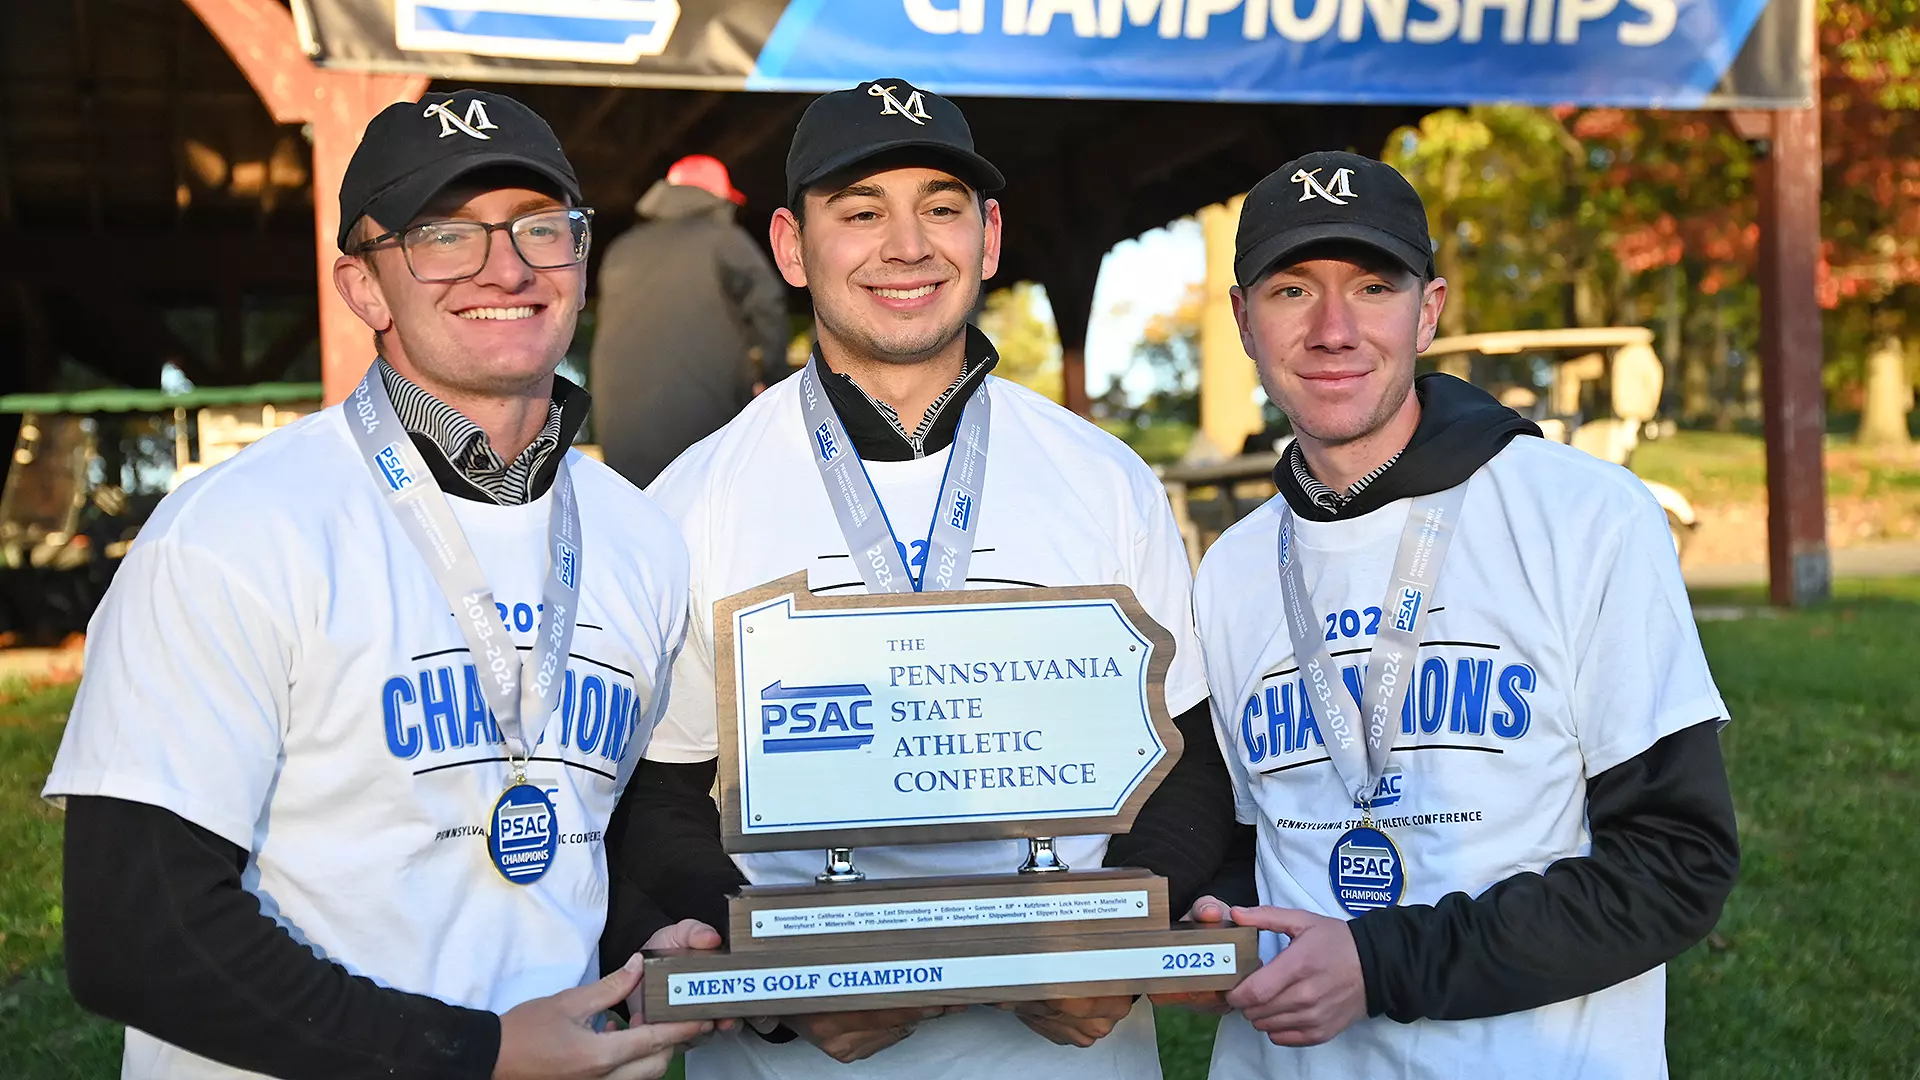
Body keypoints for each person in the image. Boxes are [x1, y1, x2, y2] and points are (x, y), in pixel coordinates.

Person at [44, 89, 718, 1080]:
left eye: (542, 227)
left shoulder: (639, 537)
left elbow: (588, 826)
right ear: (362, 286)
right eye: (446, 235)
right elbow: (139, 932)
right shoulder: (236, 531)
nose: (508, 265)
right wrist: (475, 1056)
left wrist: (657, 929)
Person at [599, 78, 1245, 1080]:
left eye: (940, 208)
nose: (907, 245)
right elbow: (659, 799)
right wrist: (787, 985)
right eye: (861, 212)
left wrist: (1112, 944)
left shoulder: (1103, 476)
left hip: (1068, 1054)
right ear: (788, 247)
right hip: (812, 1059)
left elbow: (1191, 757)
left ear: (988, 238)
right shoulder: (696, 498)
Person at [1181, 151, 1741, 1078]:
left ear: (1428, 310)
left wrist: (1379, 963)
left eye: (1371, 286)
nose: (1332, 329)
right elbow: (1246, 842)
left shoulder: (1588, 516)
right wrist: (1213, 930)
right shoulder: (1232, 567)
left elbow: (1674, 865)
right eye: (1290, 291)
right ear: (1243, 321)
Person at [589, 153, 791, 487]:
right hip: (705, 432)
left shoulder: (621, 250)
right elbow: (768, 301)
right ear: (718, 199)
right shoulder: (722, 239)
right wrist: (773, 379)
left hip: (622, 438)